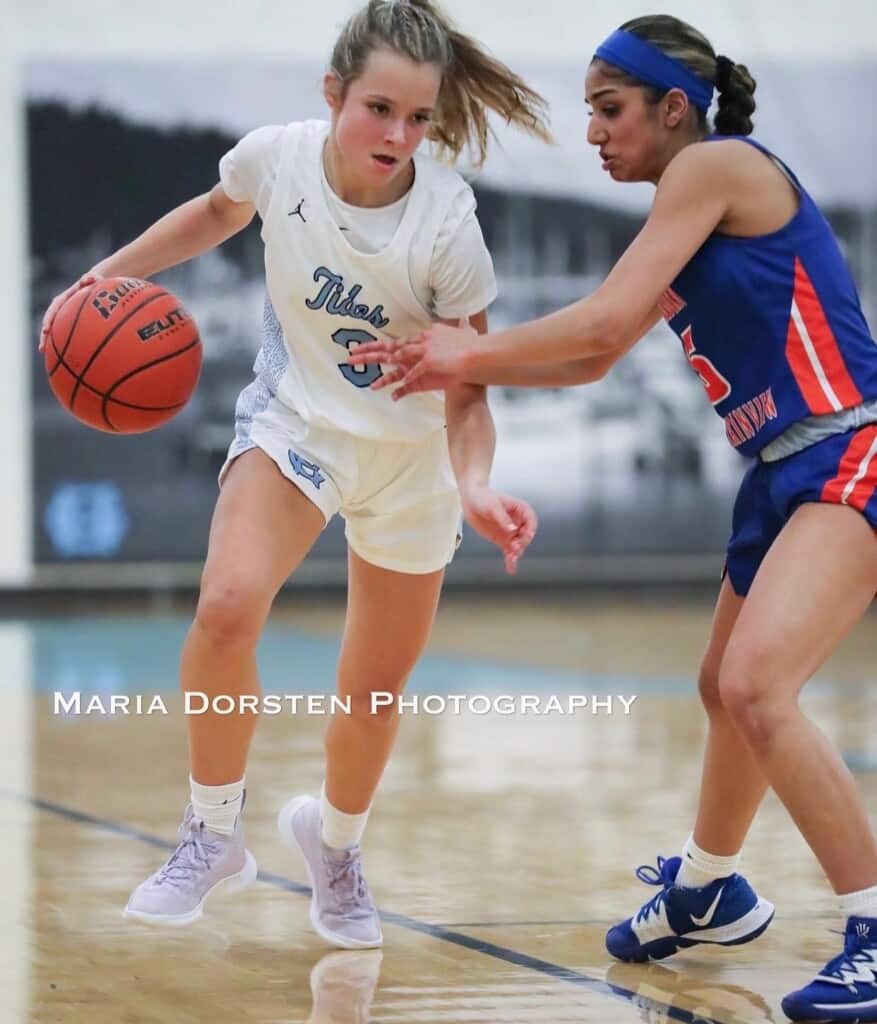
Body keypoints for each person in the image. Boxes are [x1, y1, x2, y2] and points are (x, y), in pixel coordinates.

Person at [349, 14, 877, 1019]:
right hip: (778, 467)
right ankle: (710, 889)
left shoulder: (715, 165)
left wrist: (459, 354)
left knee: (757, 684)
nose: (592, 132)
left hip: (850, 444)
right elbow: (593, 357)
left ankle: (873, 927)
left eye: (607, 108)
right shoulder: (685, 209)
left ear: (672, 109)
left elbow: (592, 324)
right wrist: (456, 363)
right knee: (722, 691)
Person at [40, 0, 548, 949]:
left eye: (418, 117)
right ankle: (212, 833)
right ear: (333, 96)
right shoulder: (276, 158)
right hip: (297, 428)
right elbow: (214, 212)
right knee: (226, 609)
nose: (398, 134)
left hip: (411, 460)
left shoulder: (445, 224)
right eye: (378, 109)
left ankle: (336, 843)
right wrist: (106, 276)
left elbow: (472, 384)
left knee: (370, 694)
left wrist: (476, 485)